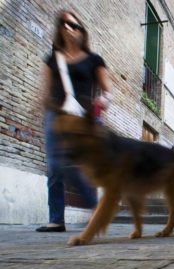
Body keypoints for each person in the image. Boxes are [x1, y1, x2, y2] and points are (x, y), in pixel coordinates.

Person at [36, 11, 112, 232]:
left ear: (81, 30)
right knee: (54, 165)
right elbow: (45, 92)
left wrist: (102, 101)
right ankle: (57, 219)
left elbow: (108, 91)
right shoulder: (52, 60)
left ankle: (96, 207)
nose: (67, 28)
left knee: (82, 165)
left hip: (84, 117)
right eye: (63, 24)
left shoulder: (94, 60)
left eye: (72, 24)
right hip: (56, 117)